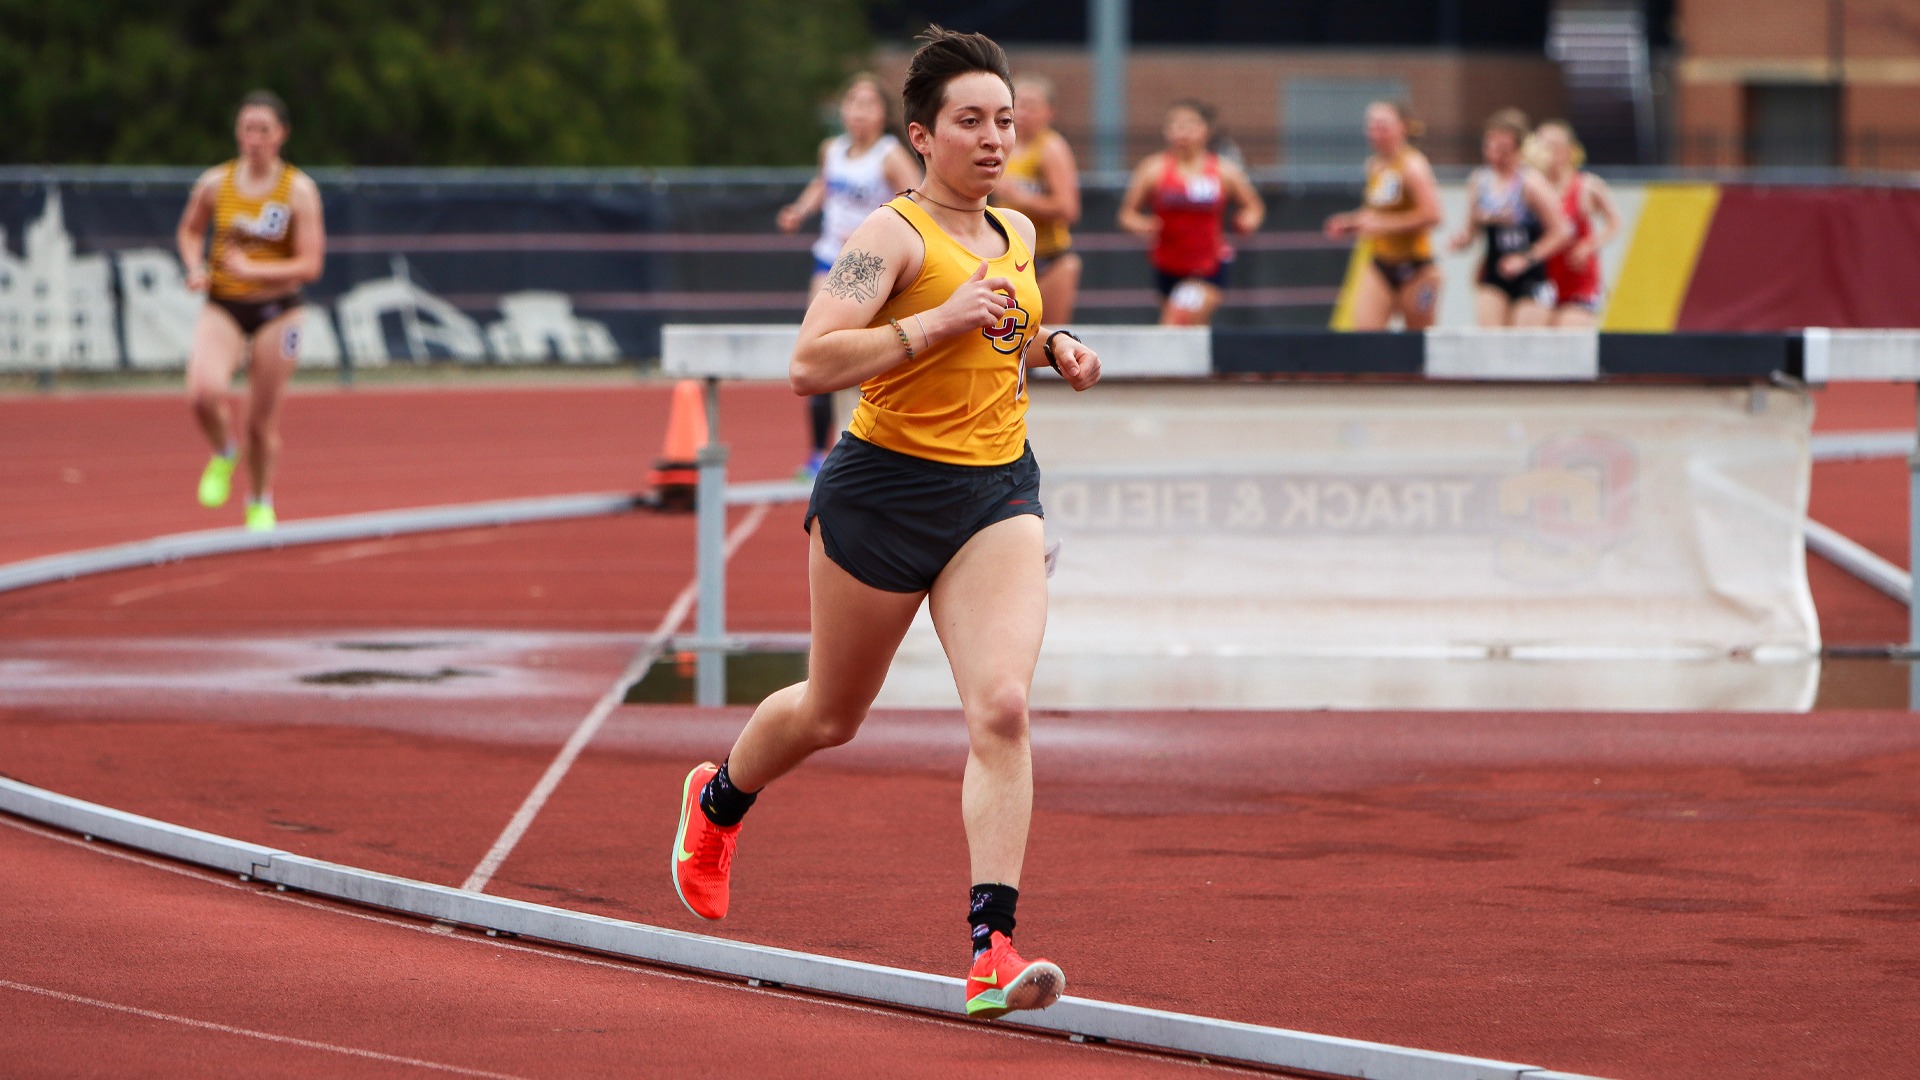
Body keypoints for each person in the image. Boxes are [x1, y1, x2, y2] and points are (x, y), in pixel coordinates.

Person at [672, 26, 1101, 1022]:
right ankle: (718, 802)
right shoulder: (888, 237)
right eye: (970, 122)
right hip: (880, 494)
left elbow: (1006, 332)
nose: (994, 137)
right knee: (832, 714)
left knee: (1002, 706)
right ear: (923, 135)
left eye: (1003, 120)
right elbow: (809, 365)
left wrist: (1054, 345)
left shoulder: (1021, 235)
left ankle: (992, 949)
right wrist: (942, 321)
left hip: (995, 493)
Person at [175, 90, 325, 532]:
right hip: (224, 304)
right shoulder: (215, 183)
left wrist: (255, 269)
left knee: (260, 423)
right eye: (247, 128)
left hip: (279, 311)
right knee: (203, 393)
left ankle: (259, 499)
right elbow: (189, 231)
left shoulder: (298, 190)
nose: (254, 138)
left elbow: (311, 265)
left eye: (264, 129)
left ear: (281, 135)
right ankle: (223, 452)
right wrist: (194, 266)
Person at [778, 74, 922, 478]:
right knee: (817, 349)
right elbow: (822, 185)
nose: (859, 112)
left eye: (868, 104)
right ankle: (814, 453)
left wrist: (879, 229)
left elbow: (918, 198)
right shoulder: (832, 149)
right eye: (853, 103)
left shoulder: (889, 155)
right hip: (828, 263)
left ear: (882, 113)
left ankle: (877, 445)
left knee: (868, 355)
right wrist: (800, 210)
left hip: (869, 268)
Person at [1117, 100, 1264, 326]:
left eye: (1190, 125)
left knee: (1176, 320)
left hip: (1208, 265)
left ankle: (1163, 362)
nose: (1182, 131)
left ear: (1206, 130)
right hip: (1168, 265)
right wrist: (1141, 224)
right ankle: (1205, 362)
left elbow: (1254, 206)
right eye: (1175, 125)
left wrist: (1248, 220)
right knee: (1191, 328)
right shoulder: (1153, 169)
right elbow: (1127, 214)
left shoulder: (1224, 170)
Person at [1323, 101, 1443, 331]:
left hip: (1416, 267)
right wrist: (1350, 223)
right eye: (1371, 126)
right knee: (1367, 338)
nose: (1375, 132)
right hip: (1381, 263)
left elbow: (1433, 215)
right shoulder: (1375, 165)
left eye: (1382, 126)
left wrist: (1385, 225)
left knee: (1418, 344)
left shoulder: (1412, 166)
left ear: (1403, 128)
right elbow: (1376, 213)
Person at [1447, 108, 1570, 328]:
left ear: (1518, 149)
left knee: (1521, 347)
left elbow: (1561, 231)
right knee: (1492, 343)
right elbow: (1471, 230)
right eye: (1490, 147)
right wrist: (1462, 239)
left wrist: (1526, 258)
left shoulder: (1531, 184)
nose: (1495, 155)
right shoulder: (1480, 182)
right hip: (1494, 273)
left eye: (1503, 150)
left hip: (1531, 277)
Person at [992, 74, 1082, 324]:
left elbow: (1069, 209)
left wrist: (1021, 197)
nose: (1023, 112)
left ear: (1049, 112)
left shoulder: (1050, 148)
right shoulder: (1000, 144)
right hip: (1010, 255)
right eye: (1018, 104)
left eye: (1032, 106)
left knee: (1047, 337)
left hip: (1049, 257)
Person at [1531, 120, 1621, 329]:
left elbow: (1614, 222)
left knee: (1569, 336)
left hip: (1577, 279)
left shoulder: (1586, 185)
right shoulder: (1532, 186)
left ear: (1568, 150)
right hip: (1543, 279)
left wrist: (1590, 244)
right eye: (1541, 145)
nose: (1547, 152)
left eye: (1553, 145)